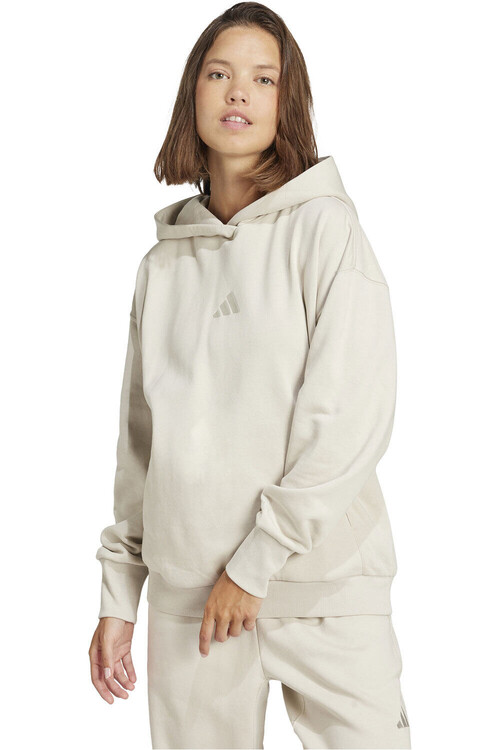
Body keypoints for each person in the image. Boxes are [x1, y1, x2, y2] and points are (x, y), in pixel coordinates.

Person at [88, 3, 412, 748]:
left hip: (325, 589)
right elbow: (140, 445)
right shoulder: (161, 265)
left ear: (286, 103)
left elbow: (350, 421)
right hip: (192, 599)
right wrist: (119, 593)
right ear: (193, 94)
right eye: (219, 74)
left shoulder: (327, 231)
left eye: (263, 79)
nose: (239, 92)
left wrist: (256, 562)